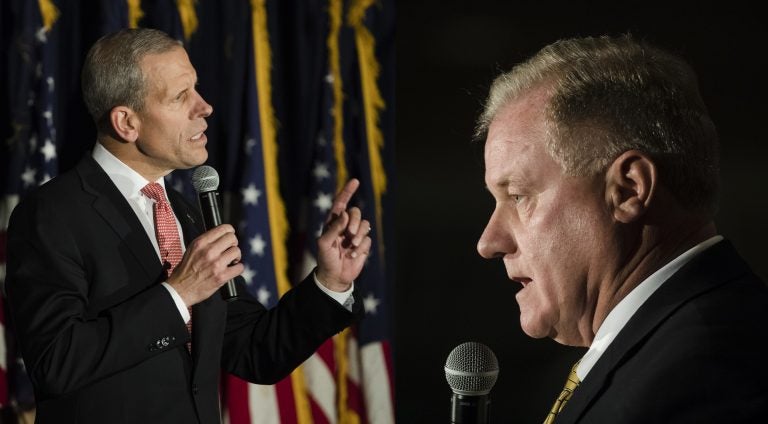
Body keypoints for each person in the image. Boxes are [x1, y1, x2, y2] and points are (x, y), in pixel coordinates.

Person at [5, 28, 372, 423]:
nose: (205, 107)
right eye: (181, 97)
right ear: (127, 123)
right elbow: (56, 362)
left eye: (195, 89)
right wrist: (178, 294)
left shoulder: (187, 213)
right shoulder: (52, 213)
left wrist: (330, 282)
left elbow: (254, 352)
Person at [475, 34, 768, 423]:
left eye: (518, 195)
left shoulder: (709, 371)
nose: (488, 243)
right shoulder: (668, 349)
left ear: (628, 189)